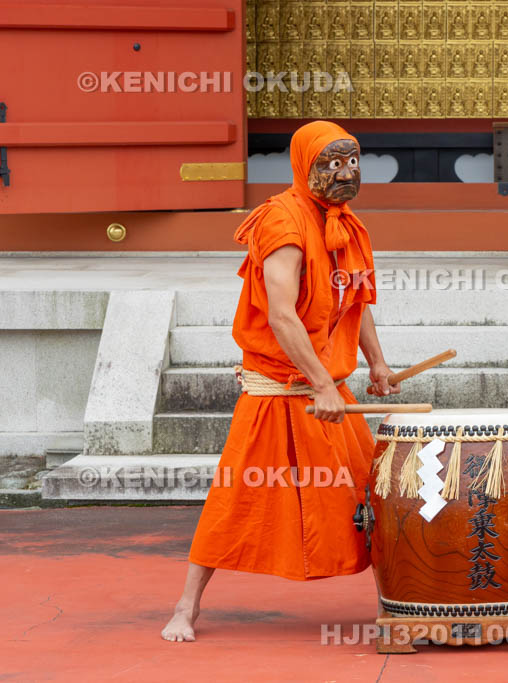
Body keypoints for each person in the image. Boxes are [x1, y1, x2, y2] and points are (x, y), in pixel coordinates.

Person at [161, 121, 399, 642]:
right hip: (278, 393)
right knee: (235, 500)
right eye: (332, 163)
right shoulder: (283, 222)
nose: (346, 172)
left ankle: (394, 601)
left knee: (371, 498)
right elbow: (282, 316)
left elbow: (356, 300)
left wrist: (377, 365)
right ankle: (185, 607)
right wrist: (320, 385)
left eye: (352, 161)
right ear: (303, 166)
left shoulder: (347, 224)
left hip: (328, 390)